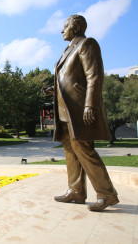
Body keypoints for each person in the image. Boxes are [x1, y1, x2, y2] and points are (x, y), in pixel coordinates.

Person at [42, 14, 118, 211]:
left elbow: (94, 75)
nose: (62, 31)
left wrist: (90, 105)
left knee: (84, 149)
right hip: (65, 110)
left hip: (79, 109)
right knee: (70, 150)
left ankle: (107, 194)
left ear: (74, 28)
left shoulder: (87, 44)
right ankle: (76, 191)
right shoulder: (69, 48)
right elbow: (70, 79)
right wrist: (54, 90)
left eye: (65, 27)